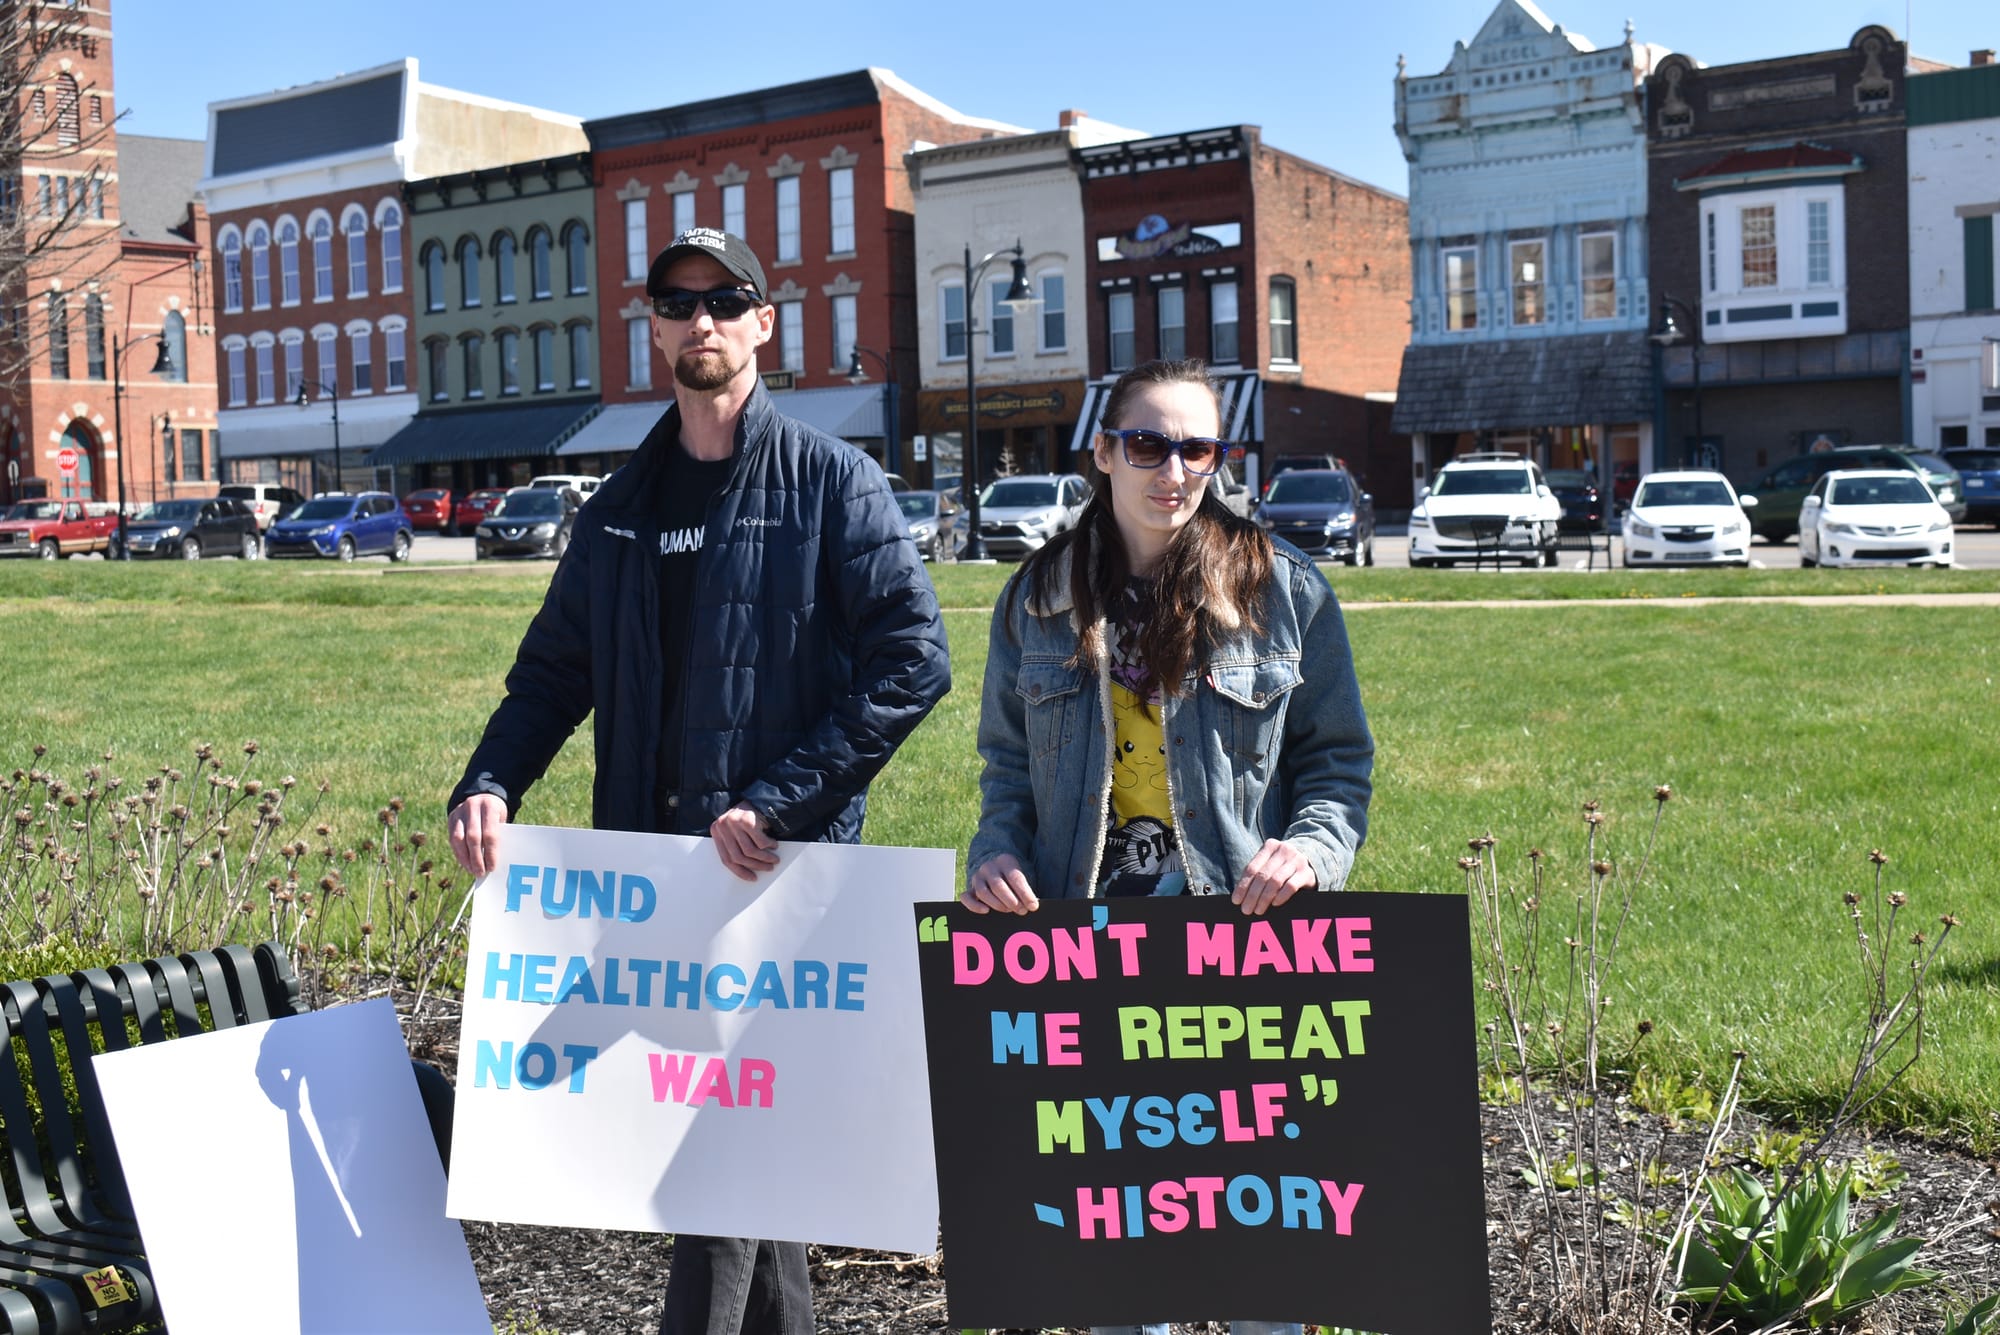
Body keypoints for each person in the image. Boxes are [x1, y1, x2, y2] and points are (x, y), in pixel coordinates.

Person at [445, 227, 951, 1335]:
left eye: (724, 301)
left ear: (763, 322)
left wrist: (780, 798)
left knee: (717, 1169)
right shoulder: (620, 505)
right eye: (676, 304)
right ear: (655, 329)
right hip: (651, 883)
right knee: (736, 1167)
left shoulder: (833, 484)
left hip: (778, 882)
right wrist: (490, 780)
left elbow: (914, 662)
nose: (700, 321)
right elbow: (552, 674)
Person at [962, 358, 1373, 1335]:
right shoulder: (1035, 601)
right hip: (1088, 967)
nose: (1172, 470)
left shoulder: (1284, 593)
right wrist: (992, 855)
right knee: (1119, 1276)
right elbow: (1006, 775)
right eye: (1146, 444)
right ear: (1102, 453)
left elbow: (1335, 769)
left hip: (1241, 960)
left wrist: (1308, 854)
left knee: (1262, 1269)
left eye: (1198, 447)